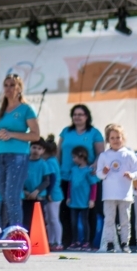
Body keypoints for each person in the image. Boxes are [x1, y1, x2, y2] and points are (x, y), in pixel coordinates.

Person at [0, 74, 40, 227]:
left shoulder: (26, 109)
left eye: (12, 85)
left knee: (12, 196)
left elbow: (35, 135)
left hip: (18, 156)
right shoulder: (0, 111)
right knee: (5, 196)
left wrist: (11, 134)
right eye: (6, 85)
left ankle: (17, 231)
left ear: (19, 88)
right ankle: (9, 229)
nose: (9, 88)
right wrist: (0, 135)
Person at [58, 104, 105, 246]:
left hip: (87, 178)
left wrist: (95, 165)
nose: (77, 117)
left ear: (87, 116)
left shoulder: (94, 133)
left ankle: (89, 242)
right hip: (66, 177)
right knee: (65, 211)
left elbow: (101, 154)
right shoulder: (66, 131)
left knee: (89, 211)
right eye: (75, 114)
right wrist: (56, 168)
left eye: (80, 114)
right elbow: (58, 152)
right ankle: (69, 241)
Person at [96, 124, 137, 253]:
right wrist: (104, 172)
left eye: (118, 137)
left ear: (123, 138)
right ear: (108, 140)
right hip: (109, 194)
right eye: (112, 138)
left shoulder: (129, 154)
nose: (115, 140)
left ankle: (125, 243)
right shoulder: (104, 156)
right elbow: (99, 174)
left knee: (125, 220)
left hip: (125, 194)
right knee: (109, 219)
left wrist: (132, 175)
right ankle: (110, 243)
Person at [66, 146, 98, 251]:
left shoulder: (89, 170)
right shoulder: (73, 169)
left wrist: (92, 199)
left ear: (82, 157)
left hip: (84, 201)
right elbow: (70, 184)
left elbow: (94, 185)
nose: (73, 159)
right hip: (74, 201)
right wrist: (68, 197)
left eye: (75, 157)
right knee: (73, 222)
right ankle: (75, 241)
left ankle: (86, 242)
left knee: (85, 222)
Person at [21, 140, 50, 233]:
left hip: (38, 197)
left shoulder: (43, 164)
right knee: (26, 220)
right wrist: (24, 191)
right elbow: (19, 178)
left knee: (39, 221)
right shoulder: (24, 163)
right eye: (34, 147)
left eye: (39, 148)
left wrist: (36, 191)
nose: (36, 150)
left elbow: (46, 181)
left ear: (43, 151)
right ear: (29, 148)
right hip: (26, 196)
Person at [43, 139, 63, 251]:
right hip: (54, 194)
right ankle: (51, 241)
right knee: (50, 219)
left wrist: (49, 193)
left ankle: (58, 242)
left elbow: (52, 178)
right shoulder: (53, 160)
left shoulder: (50, 162)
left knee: (54, 219)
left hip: (53, 195)